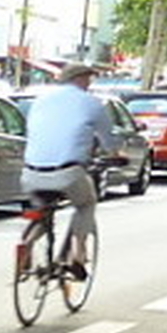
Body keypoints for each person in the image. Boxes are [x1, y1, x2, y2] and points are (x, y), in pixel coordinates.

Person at [22, 63, 120, 275]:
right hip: (67, 172)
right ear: (80, 79)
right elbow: (108, 140)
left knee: (43, 210)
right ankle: (78, 253)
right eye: (88, 79)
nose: (89, 84)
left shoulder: (40, 101)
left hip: (31, 173)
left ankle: (27, 243)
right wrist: (116, 155)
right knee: (86, 203)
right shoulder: (91, 103)